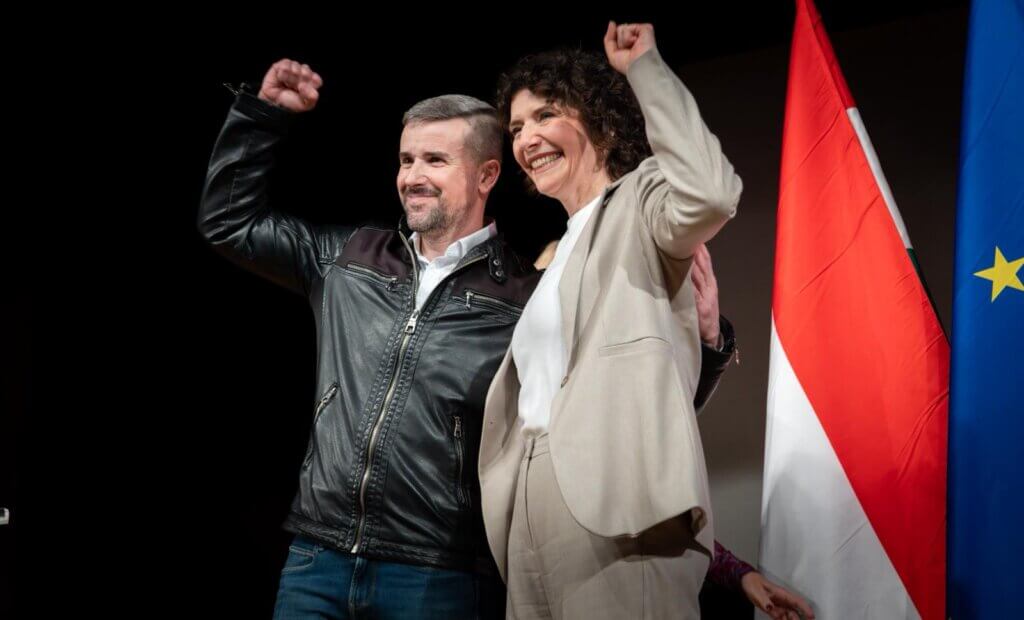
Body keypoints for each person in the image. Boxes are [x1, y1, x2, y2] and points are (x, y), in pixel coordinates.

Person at [198, 57, 736, 618]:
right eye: (406, 160)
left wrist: (707, 347)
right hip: (318, 559)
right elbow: (229, 222)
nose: (412, 176)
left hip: (439, 574)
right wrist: (261, 115)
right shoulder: (346, 259)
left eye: (435, 160)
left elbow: (622, 404)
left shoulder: (530, 298)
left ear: (486, 175)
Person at [479, 22, 742, 618]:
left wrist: (645, 67)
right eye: (517, 128)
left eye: (546, 115)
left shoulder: (641, 202)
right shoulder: (553, 255)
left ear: (598, 118)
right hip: (529, 503)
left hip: (618, 502)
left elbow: (711, 194)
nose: (527, 138)